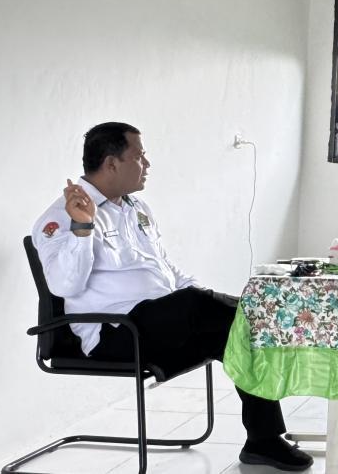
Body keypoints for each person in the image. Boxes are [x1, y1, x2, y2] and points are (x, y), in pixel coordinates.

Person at [31, 122, 312, 471]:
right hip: (116, 333)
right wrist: (82, 227)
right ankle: (269, 319)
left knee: (237, 332)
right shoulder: (61, 217)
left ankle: (263, 441)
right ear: (111, 163)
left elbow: (167, 270)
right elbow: (65, 286)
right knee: (205, 307)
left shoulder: (136, 207)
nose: (147, 164)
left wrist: (208, 298)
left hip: (163, 323)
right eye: (139, 156)